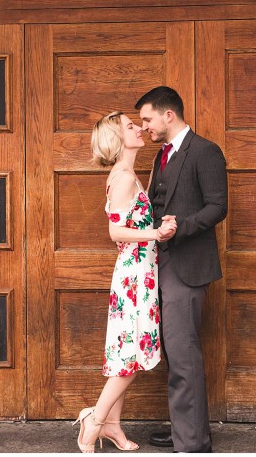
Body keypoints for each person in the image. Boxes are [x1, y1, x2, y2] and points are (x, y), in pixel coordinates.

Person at [74, 111, 177, 453]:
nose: (139, 129)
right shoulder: (122, 177)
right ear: (118, 139)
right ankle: (95, 419)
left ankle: (113, 426)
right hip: (134, 273)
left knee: (125, 355)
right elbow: (115, 232)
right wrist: (157, 233)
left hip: (139, 273)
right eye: (130, 127)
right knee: (132, 356)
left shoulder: (129, 174)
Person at [136, 87, 228, 453]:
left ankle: (191, 443)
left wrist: (181, 226)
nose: (144, 127)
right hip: (161, 263)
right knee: (176, 352)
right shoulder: (163, 155)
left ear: (168, 115)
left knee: (183, 350)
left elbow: (217, 206)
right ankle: (186, 431)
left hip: (188, 265)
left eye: (147, 119)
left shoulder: (205, 151)